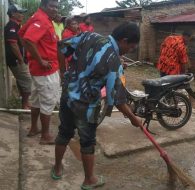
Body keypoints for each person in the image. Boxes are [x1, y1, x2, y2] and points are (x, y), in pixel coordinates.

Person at [51, 22, 143, 189]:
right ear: (124, 40)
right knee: (87, 142)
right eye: (130, 47)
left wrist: (63, 74)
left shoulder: (88, 35)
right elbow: (118, 101)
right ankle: (89, 180)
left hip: (67, 97)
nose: (129, 51)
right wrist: (133, 118)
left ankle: (57, 169)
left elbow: (61, 46)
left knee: (64, 133)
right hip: (87, 108)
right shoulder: (114, 62)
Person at [18, 0, 60, 144]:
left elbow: (21, 34)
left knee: (36, 100)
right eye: (52, 6)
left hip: (37, 70)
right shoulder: (42, 20)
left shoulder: (37, 17)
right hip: (46, 70)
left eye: (56, 6)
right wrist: (40, 59)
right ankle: (45, 136)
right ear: (43, 6)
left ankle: (34, 128)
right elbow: (28, 40)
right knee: (48, 102)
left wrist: (31, 56)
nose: (55, 9)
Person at [4, 4, 32, 109]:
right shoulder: (12, 26)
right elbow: (13, 44)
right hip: (16, 60)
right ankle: (25, 105)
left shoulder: (16, 25)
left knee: (22, 80)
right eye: (19, 13)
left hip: (18, 59)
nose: (22, 15)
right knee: (28, 81)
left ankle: (23, 102)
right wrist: (21, 59)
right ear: (13, 14)